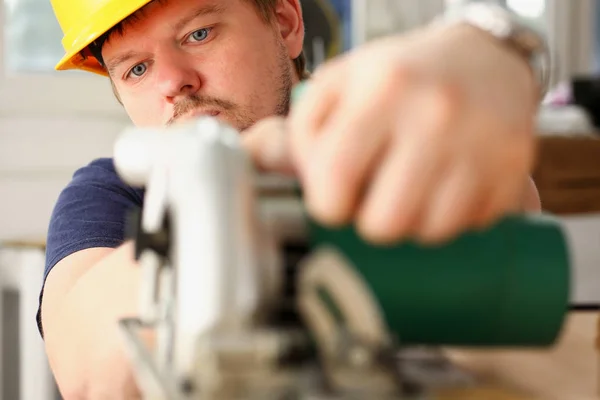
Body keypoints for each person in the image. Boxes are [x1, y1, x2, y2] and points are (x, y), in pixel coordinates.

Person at [40, 0, 543, 398]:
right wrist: (219, 204)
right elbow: (87, 374)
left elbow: (518, 234)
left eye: (199, 33)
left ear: (285, 22)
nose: (174, 82)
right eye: (136, 69)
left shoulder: (377, 126)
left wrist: (487, 53)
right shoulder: (109, 193)